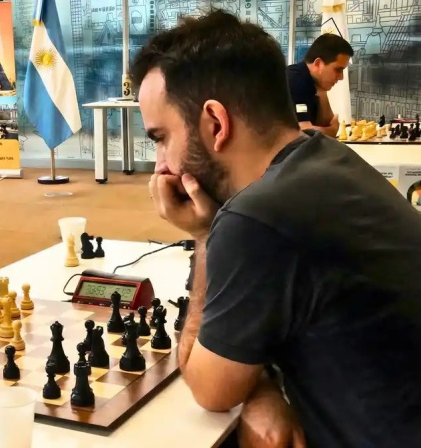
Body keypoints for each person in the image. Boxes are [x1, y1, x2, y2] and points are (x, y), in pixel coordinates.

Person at [131, 10, 421, 448]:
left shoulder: (258, 218)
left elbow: (210, 388)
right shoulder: (326, 159)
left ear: (215, 124)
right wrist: (262, 389)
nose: (161, 168)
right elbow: (262, 330)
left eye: (160, 138)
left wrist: (205, 236)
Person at [286, 34, 353, 137]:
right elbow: (304, 132)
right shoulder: (295, 80)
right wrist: (332, 130)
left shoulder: (311, 81)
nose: (341, 77)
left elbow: (325, 122)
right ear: (318, 64)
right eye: (338, 70)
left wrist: (322, 89)